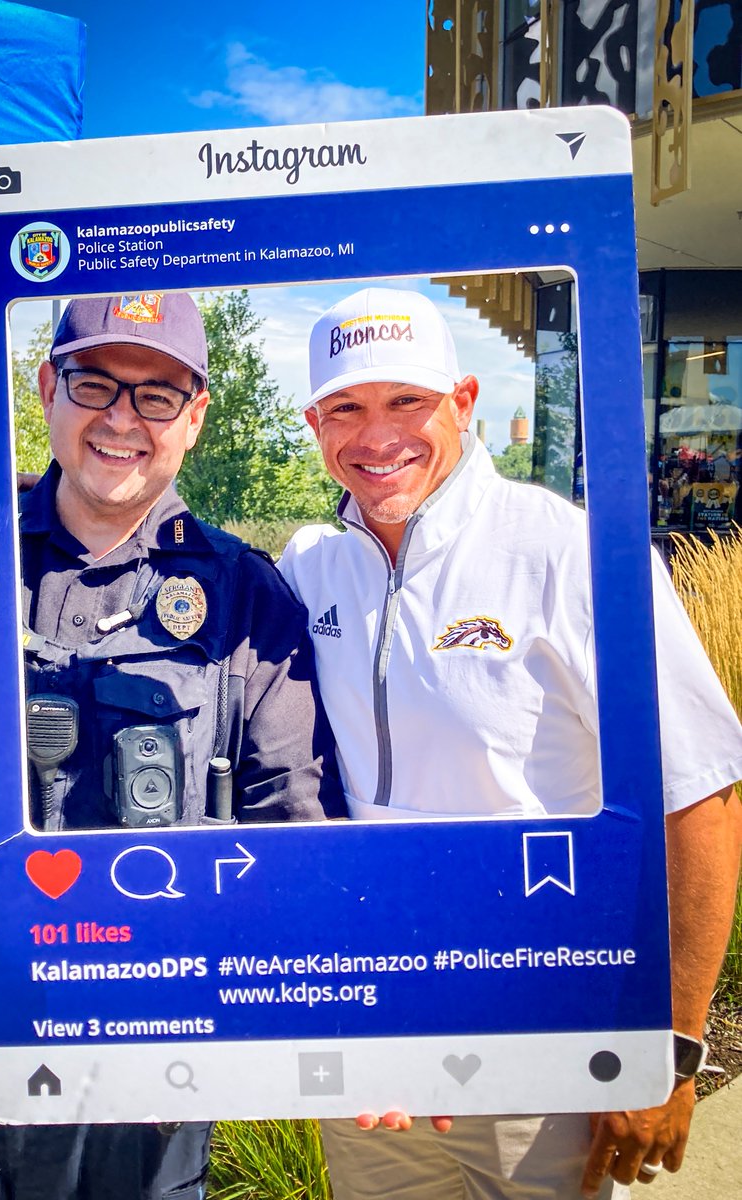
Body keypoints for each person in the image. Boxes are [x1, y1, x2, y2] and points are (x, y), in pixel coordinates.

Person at [0, 291, 343, 1200]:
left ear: (194, 417)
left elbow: (291, 826)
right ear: (46, 388)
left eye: (157, 395)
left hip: (147, 1045)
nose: (123, 418)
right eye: (95, 383)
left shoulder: (244, 598)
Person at [278, 286, 742, 1199]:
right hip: (371, 1038)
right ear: (314, 422)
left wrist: (673, 1048)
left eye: (406, 401)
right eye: (347, 408)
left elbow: (702, 793)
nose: (377, 437)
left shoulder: (571, 553)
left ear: (464, 400)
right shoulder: (306, 569)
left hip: (541, 1034)